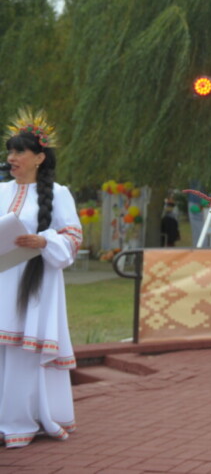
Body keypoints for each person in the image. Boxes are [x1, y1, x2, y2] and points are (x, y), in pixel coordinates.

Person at [0, 109, 83, 448]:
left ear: (39, 157)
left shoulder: (58, 193)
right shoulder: (1, 191)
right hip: (2, 279)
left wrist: (44, 241)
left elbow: (73, 238)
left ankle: (18, 422)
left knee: (24, 352)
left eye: (19, 151)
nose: (11, 158)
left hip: (35, 285)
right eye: (10, 151)